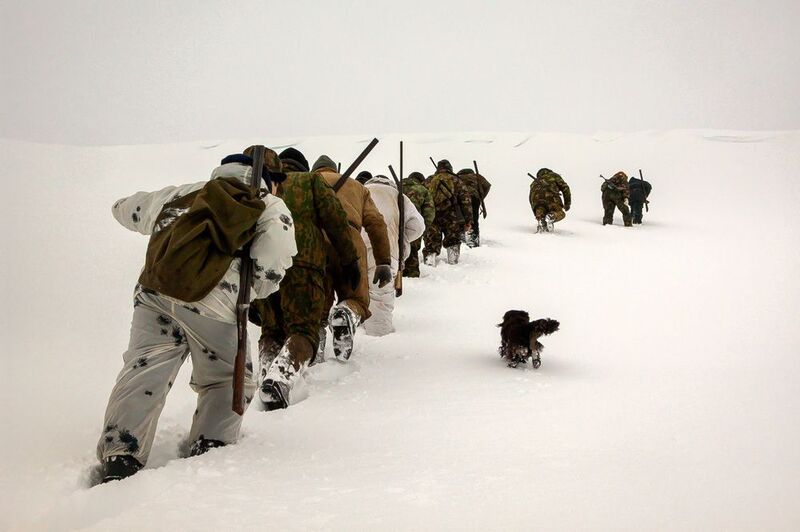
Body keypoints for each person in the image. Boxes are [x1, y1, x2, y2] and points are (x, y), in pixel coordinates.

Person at [96, 150, 296, 482]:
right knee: (225, 377)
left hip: (154, 293)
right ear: (270, 181)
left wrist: (117, 205)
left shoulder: (188, 192)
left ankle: (121, 454)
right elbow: (275, 258)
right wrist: (255, 289)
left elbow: (129, 209)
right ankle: (210, 447)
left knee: (143, 370)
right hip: (214, 304)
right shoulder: (268, 205)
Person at [248, 147, 359, 410]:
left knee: (271, 329)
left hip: (260, 269)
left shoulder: (255, 184)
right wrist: (349, 260)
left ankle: (267, 375)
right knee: (304, 330)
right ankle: (280, 377)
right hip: (303, 265)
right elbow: (336, 221)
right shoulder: (311, 182)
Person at [312, 155, 392, 360]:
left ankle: (314, 351)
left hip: (314, 243)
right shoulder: (357, 187)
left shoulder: (306, 183)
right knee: (357, 298)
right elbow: (376, 223)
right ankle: (346, 313)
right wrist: (383, 261)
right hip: (351, 243)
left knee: (316, 304)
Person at [361, 174, 425, 335]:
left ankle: (353, 323)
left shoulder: (359, 191)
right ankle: (378, 337)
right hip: (387, 252)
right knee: (380, 294)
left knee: (355, 292)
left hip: (356, 249)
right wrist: (401, 238)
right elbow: (418, 227)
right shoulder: (399, 197)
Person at [423, 159, 472, 265]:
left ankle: (429, 260)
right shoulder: (457, 180)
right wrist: (468, 219)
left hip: (433, 215)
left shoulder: (429, 180)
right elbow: (466, 201)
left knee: (431, 238)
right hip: (452, 215)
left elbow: (423, 199)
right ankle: (453, 260)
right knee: (453, 238)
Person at [401, 171, 435, 277]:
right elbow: (429, 212)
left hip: (394, 223)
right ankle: (411, 275)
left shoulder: (395, 186)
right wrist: (423, 228)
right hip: (413, 225)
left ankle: (395, 275)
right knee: (412, 249)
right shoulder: (423, 190)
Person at [456, 168, 491, 247]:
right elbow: (487, 185)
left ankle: (461, 236)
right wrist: (481, 196)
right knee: (474, 218)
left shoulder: (457, 177)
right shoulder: (477, 176)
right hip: (474, 198)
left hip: (461, 198)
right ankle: (473, 239)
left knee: (461, 217)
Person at [529, 168, 571, 233]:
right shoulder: (553, 175)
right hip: (551, 198)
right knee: (561, 213)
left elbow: (530, 198)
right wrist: (567, 203)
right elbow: (565, 188)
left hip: (536, 202)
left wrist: (535, 211)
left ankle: (541, 223)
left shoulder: (534, 183)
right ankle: (551, 216)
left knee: (541, 216)